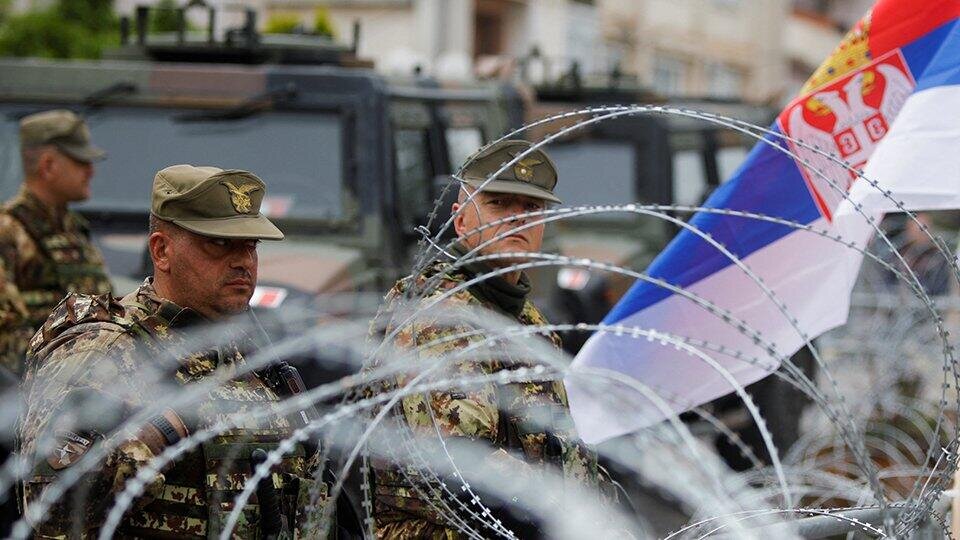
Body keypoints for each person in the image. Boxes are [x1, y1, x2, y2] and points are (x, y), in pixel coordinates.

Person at [18, 165, 329, 538]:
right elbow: (50, 510)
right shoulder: (104, 349)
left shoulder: (255, 361)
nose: (243, 261)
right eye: (218, 243)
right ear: (162, 251)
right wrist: (163, 428)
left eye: (251, 246)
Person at [366, 140, 601, 538]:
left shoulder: (526, 320)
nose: (516, 220)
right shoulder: (439, 315)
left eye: (530, 209)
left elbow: (559, 448)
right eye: (499, 205)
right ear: (461, 221)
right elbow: (467, 462)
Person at [0, 109, 112, 378]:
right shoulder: (9, 231)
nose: (91, 172)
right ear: (48, 165)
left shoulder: (74, 230)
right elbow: (6, 333)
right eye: (80, 162)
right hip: (33, 398)